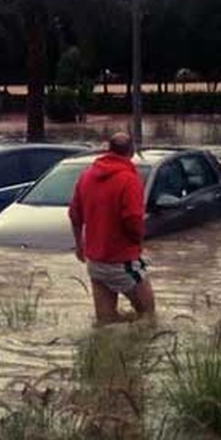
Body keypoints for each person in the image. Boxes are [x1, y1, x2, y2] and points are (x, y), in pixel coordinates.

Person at [68, 131, 155, 324]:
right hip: (123, 261)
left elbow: (74, 214)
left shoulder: (86, 176)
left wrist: (79, 246)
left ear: (109, 149)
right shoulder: (129, 179)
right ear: (131, 152)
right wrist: (138, 242)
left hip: (95, 263)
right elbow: (133, 219)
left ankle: (106, 353)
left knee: (106, 323)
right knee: (149, 318)